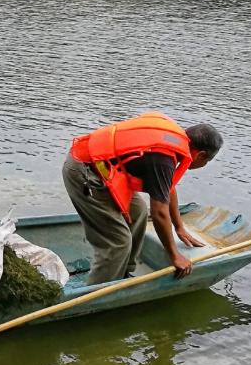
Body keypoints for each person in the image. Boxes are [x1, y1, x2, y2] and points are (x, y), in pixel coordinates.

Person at [62, 112, 222, 286]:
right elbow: (160, 213)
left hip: (103, 170)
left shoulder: (171, 141)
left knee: (138, 211)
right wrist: (174, 255)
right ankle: (96, 293)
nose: (203, 166)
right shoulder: (164, 159)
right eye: (207, 162)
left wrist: (179, 227)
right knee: (118, 242)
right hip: (84, 172)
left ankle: (122, 271)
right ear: (201, 155)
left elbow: (168, 189)